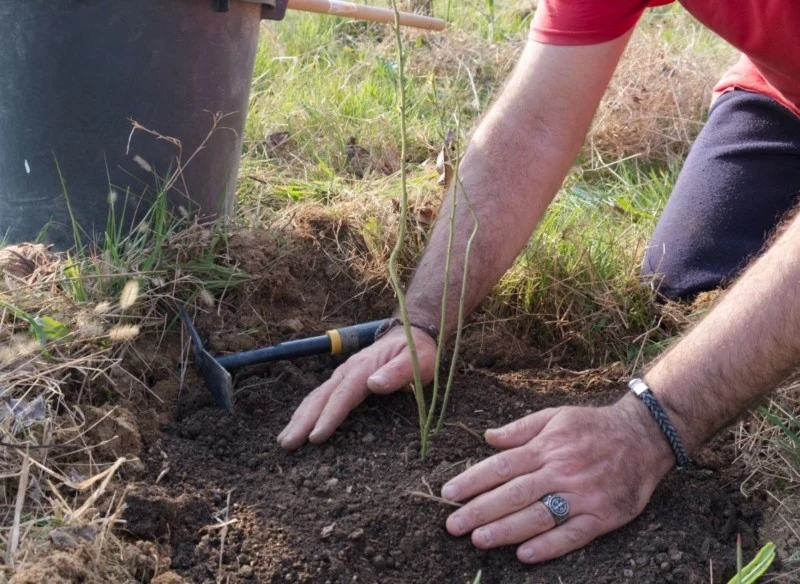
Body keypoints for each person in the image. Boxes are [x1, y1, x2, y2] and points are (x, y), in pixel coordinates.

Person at [278, 0, 800, 564]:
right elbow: (533, 125)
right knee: (690, 284)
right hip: (782, 96)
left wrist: (652, 424)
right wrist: (423, 319)